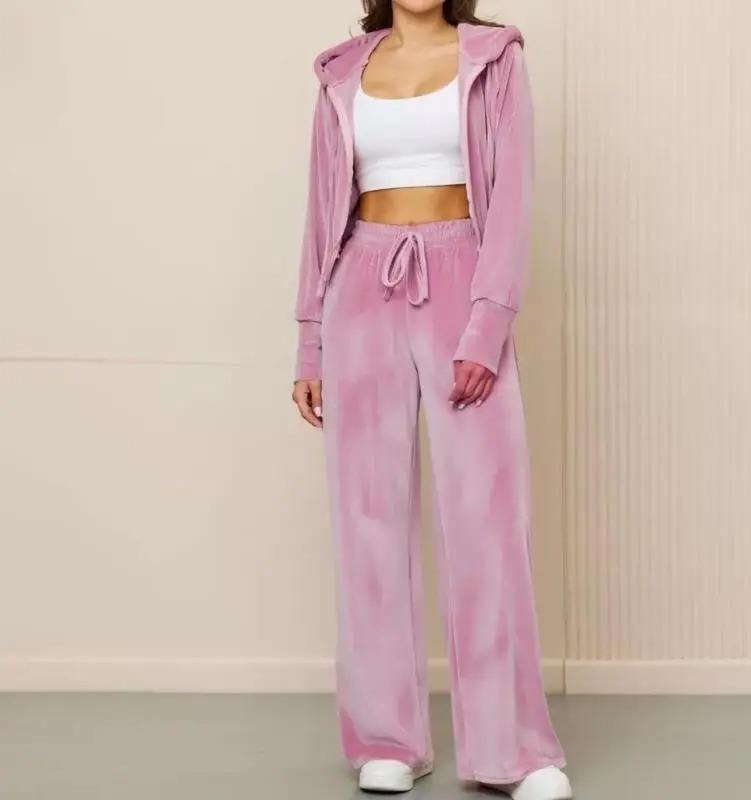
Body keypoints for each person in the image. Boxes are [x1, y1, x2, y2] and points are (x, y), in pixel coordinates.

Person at [291, 2, 573, 798]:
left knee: (488, 520)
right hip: (359, 288)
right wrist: (311, 337)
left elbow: (511, 197)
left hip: (460, 279)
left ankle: (512, 750)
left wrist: (488, 323)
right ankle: (387, 737)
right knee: (367, 520)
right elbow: (321, 210)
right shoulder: (340, 71)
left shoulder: (495, 58)